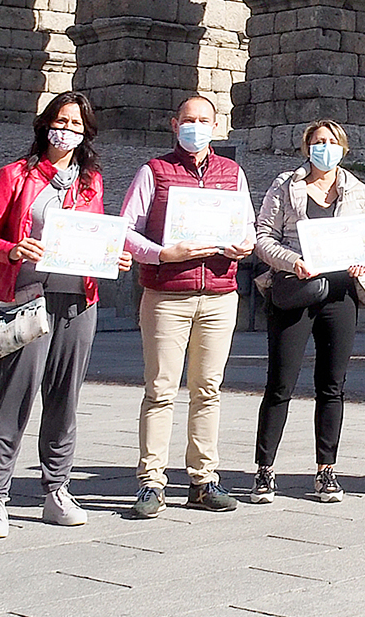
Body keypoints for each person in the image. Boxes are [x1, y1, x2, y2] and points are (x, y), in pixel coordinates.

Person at [0, 91, 129, 539]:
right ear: (45, 125)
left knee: (65, 398)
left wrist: (112, 257)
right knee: (13, 397)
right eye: (62, 122)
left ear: (86, 134)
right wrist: (11, 248)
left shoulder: (90, 181)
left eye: (77, 126)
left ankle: (56, 488)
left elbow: (94, 234)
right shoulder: (15, 175)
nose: (68, 131)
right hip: (26, 295)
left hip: (79, 298)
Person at [121, 95, 255, 519]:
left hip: (219, 293)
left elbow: (247, 225)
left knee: (208, 391)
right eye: (188, 120)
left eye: (204, 120)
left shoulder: (232, 173)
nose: (196, 126)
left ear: (217, 126)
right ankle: (151, 481)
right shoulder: (153, 171)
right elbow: (126, 231)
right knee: (160, 390)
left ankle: (203, 479)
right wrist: (164, 254)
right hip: (166, 294)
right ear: (174, 124)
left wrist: (245, 244)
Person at [249, 120, 365, 504]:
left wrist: (363, 263)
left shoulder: (357, 189)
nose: (325, 147)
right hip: (296, 287)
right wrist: (292, 261)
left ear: (344, 148)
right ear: (306, 148)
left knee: (332, 385)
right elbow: (263, 238)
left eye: (332, 142)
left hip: (340, 293)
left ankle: (326, 471)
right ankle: (264, 469)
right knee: (280, 383)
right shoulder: (285, 184)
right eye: (318, 142)